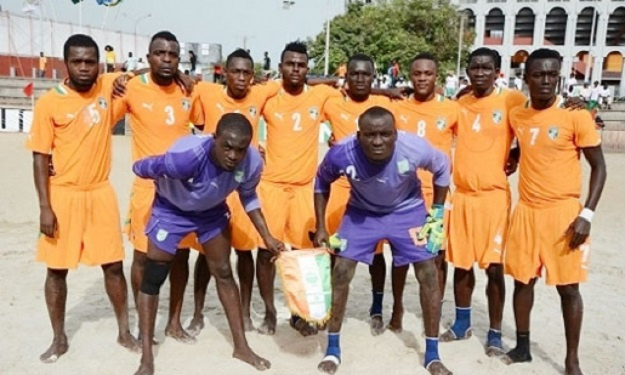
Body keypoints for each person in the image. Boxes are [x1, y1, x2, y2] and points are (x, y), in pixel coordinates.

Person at [132, 113, 284, 375]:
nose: (233, 155)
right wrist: (154, 171)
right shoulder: (186, 157)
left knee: (224, 272)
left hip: (211, 212)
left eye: (240, 149)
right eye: (227, 147)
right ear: (215, 138)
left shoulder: (252, 163)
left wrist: (267, 236)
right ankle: (147, 358)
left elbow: (248, 196)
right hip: (171, 211)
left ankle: (241, 347)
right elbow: (142, 167)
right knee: (154, 277)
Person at [313, 106, 452, 375]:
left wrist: (436, 213)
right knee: (341, 271)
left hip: (407, 211)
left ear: (396, 134)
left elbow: (443, 168)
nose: (378, 141)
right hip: (361, 213)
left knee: (429, 273)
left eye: (385, 134)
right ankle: (332, 349)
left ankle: (433, 355)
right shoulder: (342, 152)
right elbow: (321, 181)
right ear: (358, 135)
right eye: (370, 135)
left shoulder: (414, 148)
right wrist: (320, 225)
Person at [26, 34, 139, 363]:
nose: (85, 67)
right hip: (63, 195)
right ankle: (59, 338)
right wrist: (45, 207)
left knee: (114, 267)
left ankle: (124, 331)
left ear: (99, 64)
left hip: (100, 192)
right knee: (57, 270)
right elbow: (38, 157)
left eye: (91, 61)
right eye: (77, 61)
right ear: (66, 63)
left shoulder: (107, 86)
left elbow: (147, 70)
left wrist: (129, 76)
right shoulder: (50, 102)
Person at [503, 48, 607, 375]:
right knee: (522, 282)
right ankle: (522, 347)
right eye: (538, 74)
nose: (546, 80)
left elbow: (600, 169)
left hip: (564, 213)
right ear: (526, 77)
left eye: (552, 74)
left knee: (569, 288)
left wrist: (586, 215)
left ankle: (571, 359)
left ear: (559, 76)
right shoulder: (518, 114)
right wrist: (516, 156)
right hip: (526, 211)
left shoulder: (576, 116)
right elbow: (526, 141)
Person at [115, 31, 205, 344]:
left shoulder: (189, 90)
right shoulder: (131, 87)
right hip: (147, 189)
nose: (166, 60)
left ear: (179, 59)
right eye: (159, 54)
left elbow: (204, 128)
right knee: (143, 257)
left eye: (172, 55)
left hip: (182, 191)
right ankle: (144, 324)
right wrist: (128, 73)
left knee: (181, 257)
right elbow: (99, 110)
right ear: (148, 56)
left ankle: (174, 322)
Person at [189, 48, 282, 335]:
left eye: (247, 73)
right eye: (236, 71)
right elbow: (191, 112)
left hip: (242, 185)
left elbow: (301, 77)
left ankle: (243, 312)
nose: (241, 78)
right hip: (211, 185)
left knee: (244, 253)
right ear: (224, 72)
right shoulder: (205, 91)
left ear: (252, 76)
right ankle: (198, 312)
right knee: (207, 253)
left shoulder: (260, 94)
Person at [441, 48, 526, 356]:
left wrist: (516, 153)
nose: (479, 73)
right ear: (467, 71)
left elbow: (533, 125)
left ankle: (494, 332)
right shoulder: (459, 104)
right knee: (461, 265)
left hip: (493, 197)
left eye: (486, 68)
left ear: (497, 72)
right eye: (474, 68)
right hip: (462, 196)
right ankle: (462, 322)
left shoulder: (511, 100)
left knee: (493, 267)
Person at [257, 41, 341, 336]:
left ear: (308, 69)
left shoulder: (320, 96)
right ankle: (269, 311)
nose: (295, 69)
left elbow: (354, 100)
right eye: (290, 64)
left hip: (305, 188)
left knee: (309, 255)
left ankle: (300, 312)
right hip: (272, 187)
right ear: (280, 67)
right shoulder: (267, 95)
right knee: (268, 252)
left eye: (301, 65)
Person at [322, 53, 396, 336]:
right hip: (341, 187)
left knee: (376, 254)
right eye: (355, 74)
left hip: (374, 189)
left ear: (374, 77)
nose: (360, 79)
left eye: (366, 74)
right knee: (335, 250)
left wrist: (384, 91)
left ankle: (376, 308)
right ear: (346, 76)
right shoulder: (332, 102)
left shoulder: (385, 104)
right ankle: (331, 305)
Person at [391, 52, 459, 332]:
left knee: (435, 257)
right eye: (417, 73)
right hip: (402, 196)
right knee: (399, 256)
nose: (422, 78)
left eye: (427, 74)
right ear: (410, 75)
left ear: (436, 77)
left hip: (436, 196)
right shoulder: (397, 107)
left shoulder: (453, 109)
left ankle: (435, 311)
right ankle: (397, 308)